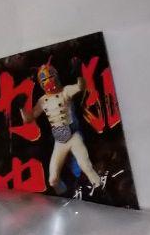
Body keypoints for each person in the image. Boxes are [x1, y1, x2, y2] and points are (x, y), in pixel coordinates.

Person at [21, 59, 102, 192]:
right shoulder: (42, 101)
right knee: (53, 180)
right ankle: (64, 195)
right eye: (44, 79)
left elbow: (81, 86)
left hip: (74, 136)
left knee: (86, 166)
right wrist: (21, 106)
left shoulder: (65, 91)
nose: (48, 81)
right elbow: (29, 119)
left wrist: (78, 72)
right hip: (59, 141)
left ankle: (99, 188)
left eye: (50, 77)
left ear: (56, 76)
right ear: (41, 83)